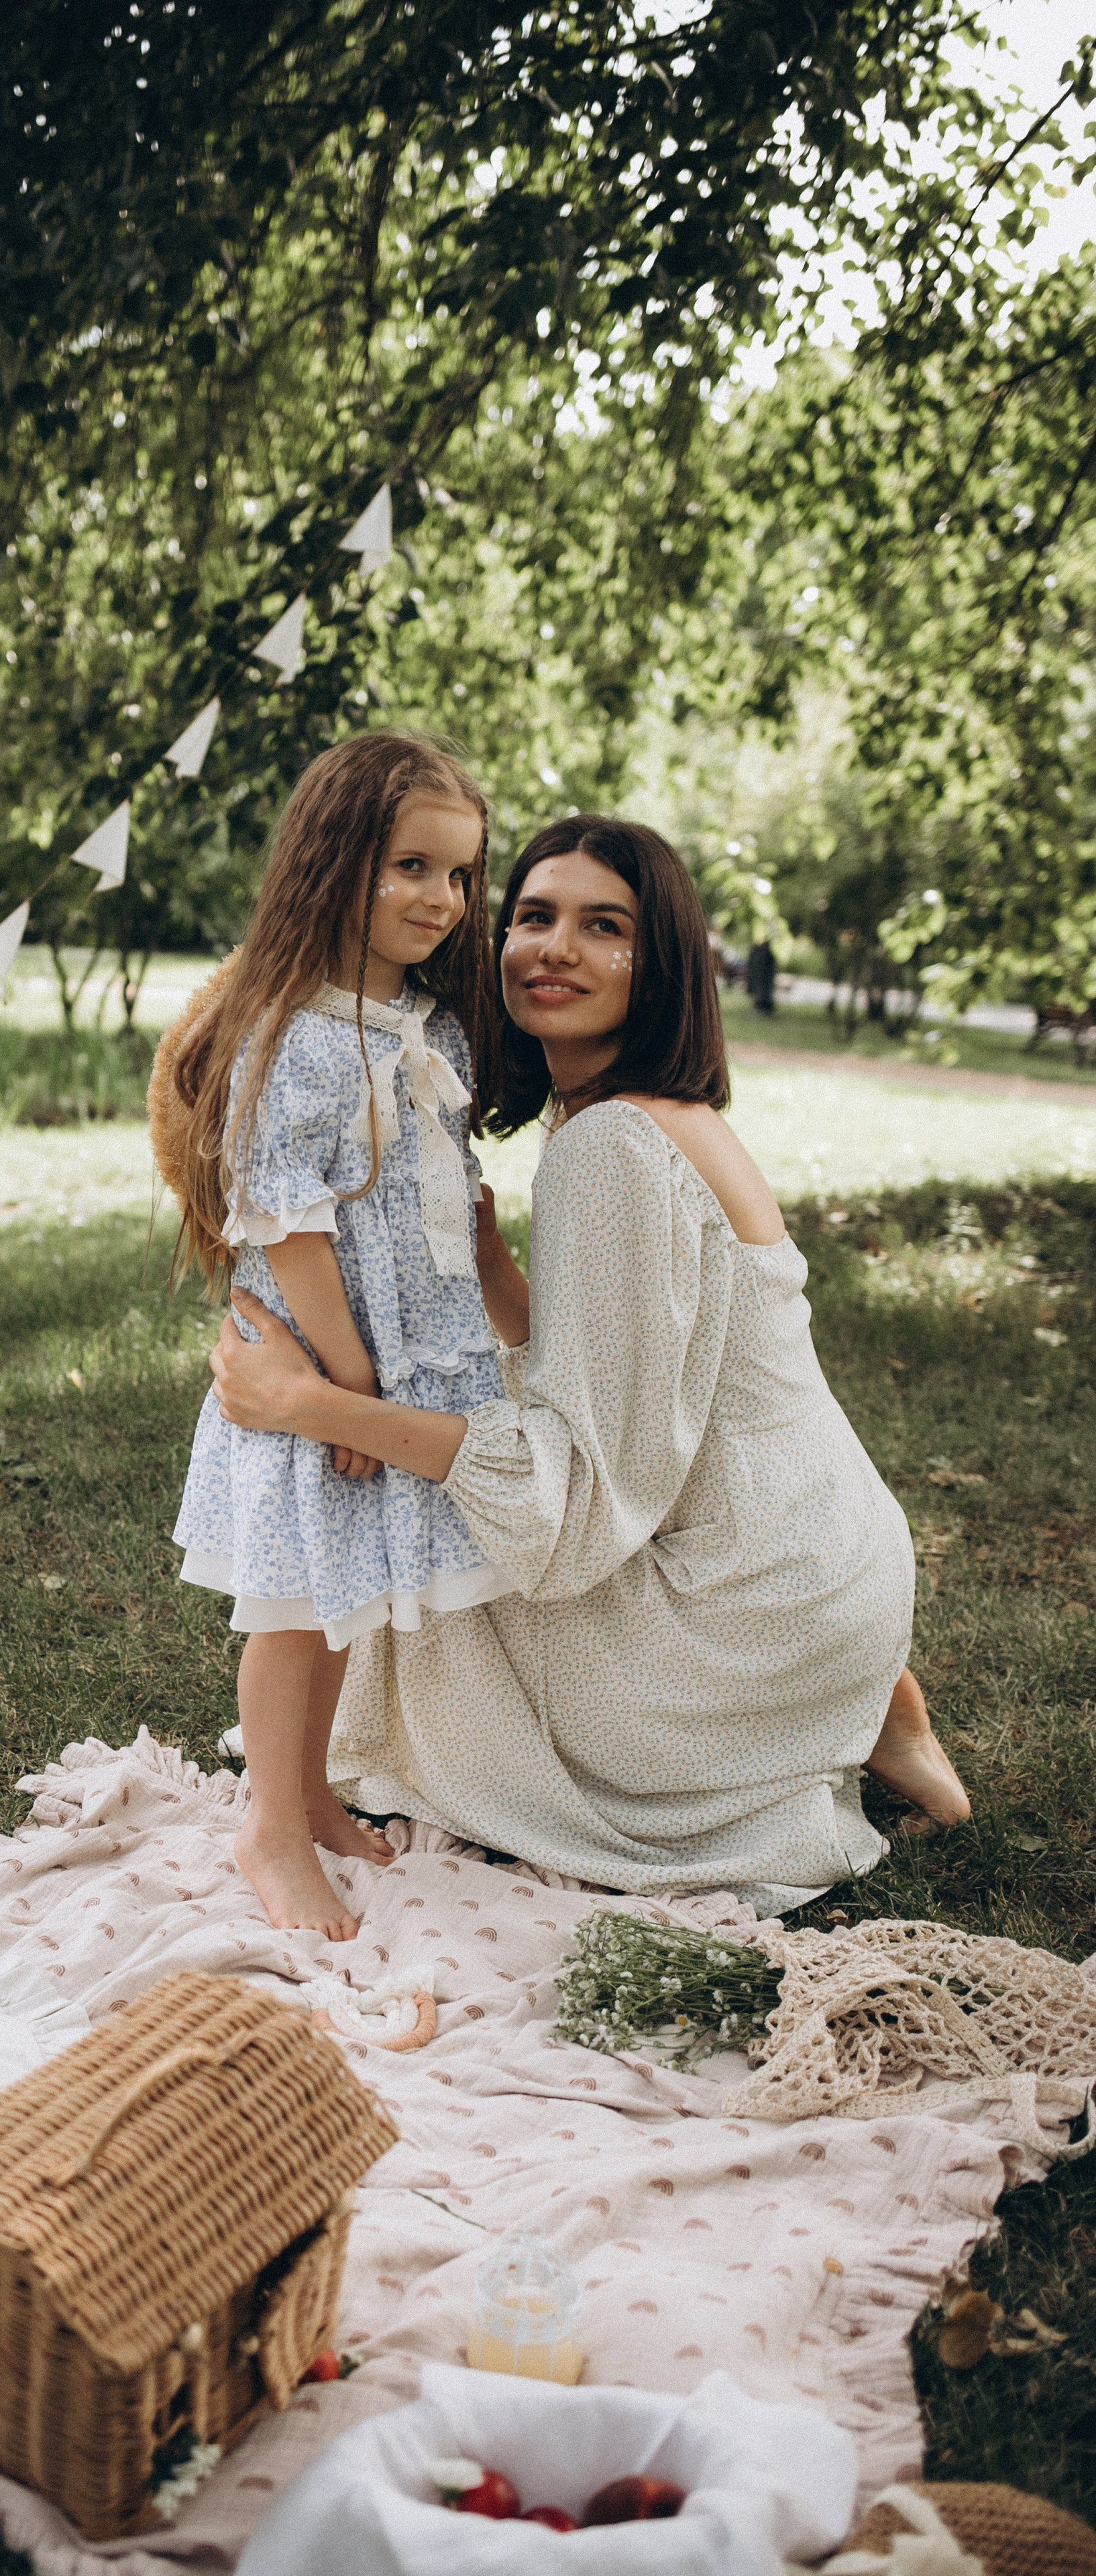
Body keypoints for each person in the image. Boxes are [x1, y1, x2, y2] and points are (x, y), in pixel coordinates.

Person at [208, 814, 970, 1916]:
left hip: (745, 1615)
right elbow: (626, 1360)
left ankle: (808, 1726)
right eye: (532, 916)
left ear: (657, 968)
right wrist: (492, 1267)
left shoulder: (612, 1153)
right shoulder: (666, 1117)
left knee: (430, 1553)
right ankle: (865, 1708)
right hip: (834, 1561)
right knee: (462, 1460)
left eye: (603, 927)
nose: (554, 947)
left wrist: (315, 1402)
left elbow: (566, 1501)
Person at [168, 734, 518, 1941]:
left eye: (462, 876)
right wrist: (345, 1379)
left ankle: (309, 1792)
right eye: (412, 866)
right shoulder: (295, 1030)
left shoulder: (421, 1025)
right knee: (292, 1606)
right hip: (317, 1357)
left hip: (402, 1352)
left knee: (339, 1600)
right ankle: (267, 1823)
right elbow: (287, 1213)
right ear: (335, 863)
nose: (443, 899)